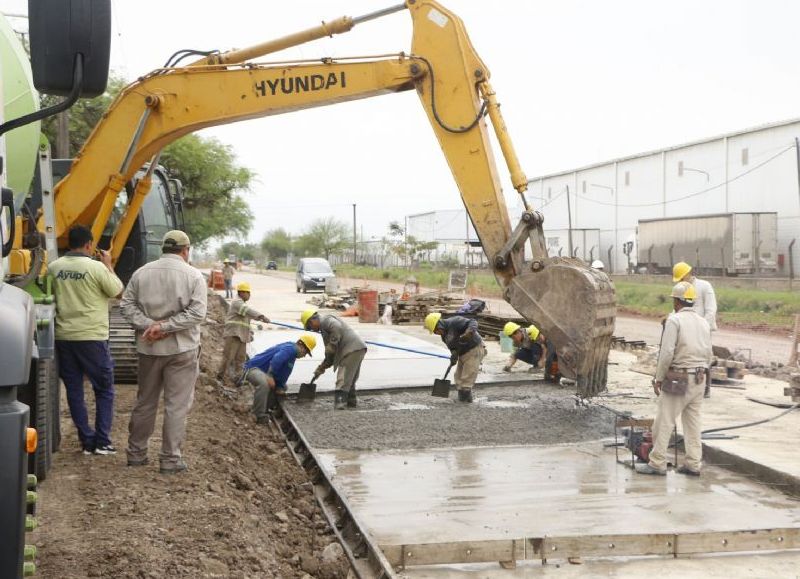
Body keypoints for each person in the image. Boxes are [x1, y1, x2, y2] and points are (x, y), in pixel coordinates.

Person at [120, 230, 207, 474]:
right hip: (183, 350)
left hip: (148, 348)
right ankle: (170, 459)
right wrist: (166, 327)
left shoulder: (141, 273)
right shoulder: (194, 276)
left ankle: (136, 454)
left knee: (145, 402)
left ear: (163, 248)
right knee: (176, 405)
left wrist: (150, 326)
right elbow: (197, 314)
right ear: (185, 250)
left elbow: (126, 306)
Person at [48, 225, 124, 455]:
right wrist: (108, 264)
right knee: (104, 389)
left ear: (69, 243)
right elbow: (118, 291)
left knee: (74, 390)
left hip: (63, 337)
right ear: (89, 245)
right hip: (92, 337)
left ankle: (86, 441)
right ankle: (102, 442)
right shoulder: (96, 268)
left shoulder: (54, 267)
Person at [637, 282, 712, 477]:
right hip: (699, 377)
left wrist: (659, 378)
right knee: (693, 423)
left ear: (677, 301)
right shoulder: (703, 322)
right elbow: (709, 354)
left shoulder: (674, 320)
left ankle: (657, 463)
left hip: (680, 378)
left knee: (664, 420)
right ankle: (694, 463)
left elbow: (667, 352)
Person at [301, 308, 367, 410]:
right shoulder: (324, 330)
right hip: (357, 348)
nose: (312, 330)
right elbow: (330, 357)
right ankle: (351, 403)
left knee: (343, 378)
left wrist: (332, 344)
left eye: (310, 327)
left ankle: (340, 405)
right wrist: (321, 368)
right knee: (350, 379)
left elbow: (337, 326)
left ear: (312, 320)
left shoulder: (325, 320)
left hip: (351, 349)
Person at [244, 335, 316, 423]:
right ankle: (258, 415)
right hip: (254, 368)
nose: (304, 356)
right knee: (265, 383)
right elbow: (276, 360)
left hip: (264, 372)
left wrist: (280, 387)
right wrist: (270, 376)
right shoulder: (291, 349)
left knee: (282, 387)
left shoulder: (292, 356)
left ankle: (264, 409)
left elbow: (283, 374)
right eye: (306, 352)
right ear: (301, 345)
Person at [673, 261, 717, 397]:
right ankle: (686, 384)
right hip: (686, 328)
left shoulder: (704, 286)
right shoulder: (681, 289)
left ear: (688, 274)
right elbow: (677, 307)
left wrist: (704, 326)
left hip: (703, 328)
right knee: (686, 356)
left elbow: (711, 309)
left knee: (705, 355)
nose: (680, 281)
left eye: (681, 278)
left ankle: (706, 388)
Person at [424, 313, 486, 403]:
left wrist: (469, 332)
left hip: (474, 349)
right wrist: (454, 355)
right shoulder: (444, 336)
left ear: (439, 325)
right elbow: (453, 347)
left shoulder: (455, 322)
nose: (436, 333)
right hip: (463, 353)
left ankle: (465, 403)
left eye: (435, 331)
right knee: (458, 377)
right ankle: (463, 399)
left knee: (467, 378)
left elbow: (473, 322)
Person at [217, 282, 270, 382]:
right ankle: (220, 377)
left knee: (241, 359)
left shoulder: (242, 305)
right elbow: (248, 311)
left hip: (241, 336)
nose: (249, 295)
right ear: (241, 292)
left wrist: (249, 333)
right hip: (234, 334)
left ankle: (238, 378)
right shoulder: (237, 302)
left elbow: (245, 321)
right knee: (228, 357)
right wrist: (261, 316)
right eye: (248, 293)